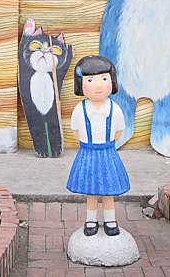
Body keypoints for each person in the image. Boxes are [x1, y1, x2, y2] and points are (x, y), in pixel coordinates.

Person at [66, 55, 130, 237]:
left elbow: (118, 132)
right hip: (88, 153)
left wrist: (107, 145)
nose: (98, 85)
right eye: (90, 80)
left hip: (107, 153)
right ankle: (90, 221)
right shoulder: (80, 109)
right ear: (81, 84)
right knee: (91, 192)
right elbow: (76, 132)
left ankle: (111, 220)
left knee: (108, 191)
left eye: (104, 79)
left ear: (112, 81)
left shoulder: (114, 109)